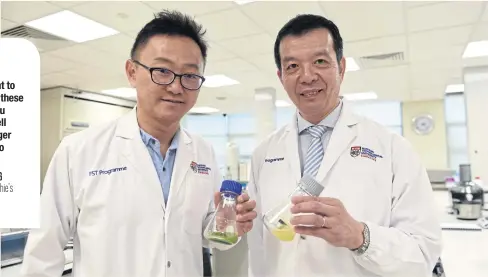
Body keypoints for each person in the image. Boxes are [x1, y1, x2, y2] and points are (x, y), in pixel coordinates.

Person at [20, 10, 256, 277]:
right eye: (162, 71)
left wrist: (230, 226)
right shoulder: (77, 151)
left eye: (190, 75)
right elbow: (43, 253)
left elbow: (207, 234)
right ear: (132, 72)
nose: (177, 87)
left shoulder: (203, 152)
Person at [246, 14, 442, 277]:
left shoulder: (393, 148)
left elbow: (422, 254)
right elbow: (258, 248)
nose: (306, 76)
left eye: (319, 61)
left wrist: (361, 237)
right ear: (281, 77)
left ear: (341, 67)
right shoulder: (263, 154)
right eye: (292, 66)